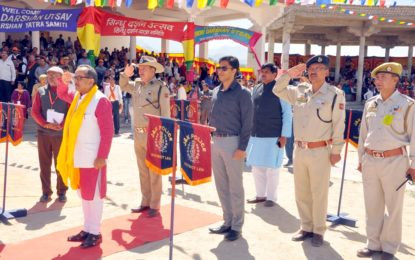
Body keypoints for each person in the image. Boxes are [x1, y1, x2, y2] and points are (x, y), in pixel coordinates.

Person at [273, 55, 345, 247]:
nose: (314, 71)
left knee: (319, 192)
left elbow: (339, 124)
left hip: (320, 150)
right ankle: (306, 226)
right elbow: (277, 89)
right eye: (311, 68)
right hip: (300, 149)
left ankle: (319, 230)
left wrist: (336, 150)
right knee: (302, 192)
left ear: (327, 72)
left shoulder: (335, 94)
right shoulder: (300, 90)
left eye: (320, 68)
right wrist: (288, 74)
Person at [356, 62, 415, 260]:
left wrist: (413, 165)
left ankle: (389, 248)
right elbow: (364, 133)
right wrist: (361, 158)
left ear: (395, 79)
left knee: (393, 207)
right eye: (376, 78)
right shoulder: (371, 103)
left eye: (382, 77)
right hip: (371, 159)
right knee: (372, 204)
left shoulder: (408, 104)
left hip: (395, 160)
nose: (377, 81)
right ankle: (373, 244)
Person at [57, 65, 114, 249]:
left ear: (91, 81)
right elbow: (62, 93)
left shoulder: (100, 101)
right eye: (76, 76)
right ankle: (87, 228)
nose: (76, 80)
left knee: (95, 196)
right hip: (77, 155)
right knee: (84, 195)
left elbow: (108, 132)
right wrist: (63, 81)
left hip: (93, 158)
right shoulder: (78, 98)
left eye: (79, 77)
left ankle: (95, 232)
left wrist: (102, 156)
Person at [208, 56, 253, 241]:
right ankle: (227, 221)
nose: (219, 71)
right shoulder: (216, 91)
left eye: (224, 68)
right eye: (219, 68)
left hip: (233, 142)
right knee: (221, 185)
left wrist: (242, 147)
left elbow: (248, 122)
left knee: (235, 186)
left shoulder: (243, 93)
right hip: (216, 141)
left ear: (234, 70)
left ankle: (237, 225)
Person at [119, 56, 170, 218]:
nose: (140, 71)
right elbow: (123, 85)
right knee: (142, 170)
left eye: (144, 68)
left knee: (154, 170)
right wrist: (125, 74)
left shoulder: (161, 88)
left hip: (153, 134)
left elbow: (165, 114)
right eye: (139, 68)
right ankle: (145, 201)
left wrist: (163, 137)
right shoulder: (137, 86)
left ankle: (155, 203)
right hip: (138, 133)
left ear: (153, 70)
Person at [246, 63, 292, 207]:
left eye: (266, 72)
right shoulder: (256, 88)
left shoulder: (281, 90)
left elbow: (287, 114)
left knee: (273, 168)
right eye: (262, 71)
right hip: (256, 134)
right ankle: (260, 195)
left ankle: (271, 198)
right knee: (257, 167)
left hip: (274, 135)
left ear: (274, 74)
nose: (263, 74)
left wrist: (284, 135)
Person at [31, 66, 69, 203]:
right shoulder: (41, 91)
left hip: (61, 134)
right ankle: (46, 192)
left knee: (61, 164)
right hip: (44, 133)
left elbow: (72, 112)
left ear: (61, 76)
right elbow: (34, 112)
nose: (51, 77)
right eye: (49, 74)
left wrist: (62, 124)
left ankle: (62, 191)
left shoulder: (68, 92)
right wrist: (44, 123)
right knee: (44, 164)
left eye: (54, 75)